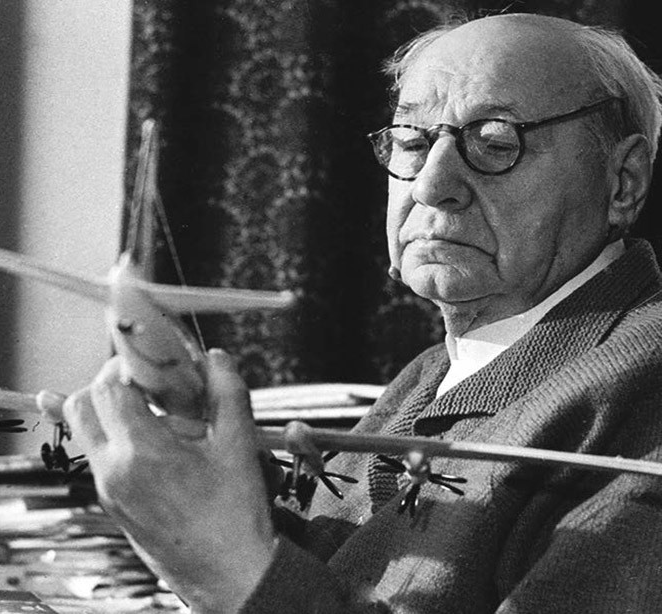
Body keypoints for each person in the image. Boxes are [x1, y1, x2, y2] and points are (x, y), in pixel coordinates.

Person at [63, 12, 662, 613]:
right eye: (412, 141)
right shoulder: (430, 375)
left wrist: (226, 570)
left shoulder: (643, 392)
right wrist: (210, 464)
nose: (429, 185)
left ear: (622, 183)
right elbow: (340, 560)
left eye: (496, 142)